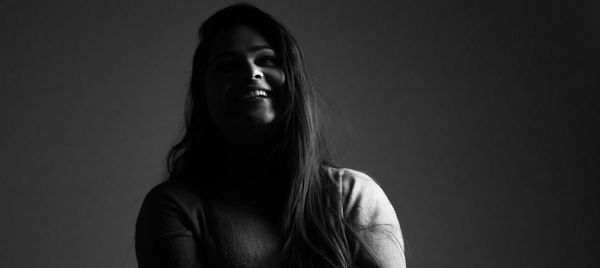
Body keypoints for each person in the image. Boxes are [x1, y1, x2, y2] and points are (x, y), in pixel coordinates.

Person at [135, 3, 406, 268]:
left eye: (266, 59)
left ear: (292, 81)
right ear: (204, 95)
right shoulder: (174, 209)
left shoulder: (354, 198)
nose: (251, 72)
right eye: (227, 66)